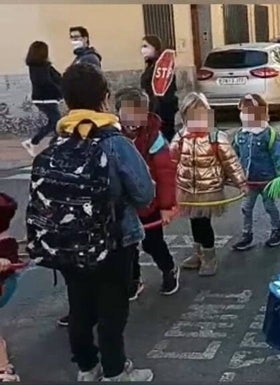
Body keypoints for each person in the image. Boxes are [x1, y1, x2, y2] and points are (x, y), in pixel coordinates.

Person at [26, 63, 154, 381]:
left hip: (66, 242)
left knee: (79, 307)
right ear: (105, 98)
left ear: (66, 101)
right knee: (112, 309)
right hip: (113, 240)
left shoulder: (56, 144)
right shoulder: (115, 143)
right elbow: (144, 193)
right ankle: (114, 371)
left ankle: (86, 367)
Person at [172, 93, 247, 275]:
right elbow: (171, 161)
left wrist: (241, 183)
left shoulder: (216, 137)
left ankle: (209, 256)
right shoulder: (181, 136)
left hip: (208, 190)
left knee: (203, 222)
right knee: (194, 221)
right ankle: (198, 254)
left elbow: (231, 162)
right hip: (187, 189)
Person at [114, 87, 179, 300]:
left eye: (138, 113)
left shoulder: (154, 137)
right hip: (124, 206)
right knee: (127, 245)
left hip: (149, 203)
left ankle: (168, 268)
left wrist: (167, 206)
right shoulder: (112, 135)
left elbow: (165, 172)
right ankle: (134, 279)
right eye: (127, 113)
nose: (133, 119)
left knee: (152, 242)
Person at [231, 94, 280, 251]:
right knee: (246, 208)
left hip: (267, 180)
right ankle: (246, 234)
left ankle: (277, 230)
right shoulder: (240, 135)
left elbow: (279, 155)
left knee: (269, 206)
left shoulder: (269, 133)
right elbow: (232, 156)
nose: (244, 115)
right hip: (248, 181)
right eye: (242, 111)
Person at [21, 41, 62, 157]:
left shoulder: (38, 67)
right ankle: (55, 145)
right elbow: (46, 82)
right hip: (46, 98)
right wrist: (59, 91)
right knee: (58, 123)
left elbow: (56, 78)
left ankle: (33, 142)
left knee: (53, 122)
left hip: (44, 98)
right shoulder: (41, 67)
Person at [139, 35, 178, 142]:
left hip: (162, 110)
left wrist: (155, 109)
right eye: (142, 47)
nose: (143, 50)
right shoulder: (151, 66)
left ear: (155, 48)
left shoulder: (161, 67)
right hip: (153, 109)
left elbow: (165, 90)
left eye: (146, 46)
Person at [0, 193, 20, 382]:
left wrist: (5, 262)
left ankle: (4, 368)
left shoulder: (6, 244)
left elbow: (13, 262)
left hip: (3, 285)